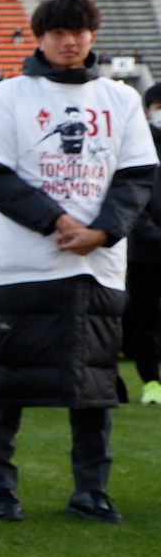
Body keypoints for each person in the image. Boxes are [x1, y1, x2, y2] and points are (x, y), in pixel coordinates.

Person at [0, 0, 157, 522]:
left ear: (92, 36)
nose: (68, 41)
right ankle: (1, 489)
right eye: (57, 32)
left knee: (94, 388)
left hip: (98, 267)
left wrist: (103, 231)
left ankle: (91, 491)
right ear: (40, 38)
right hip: (24, 265)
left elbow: (137, 176)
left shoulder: (120, 98)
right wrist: (57, 221)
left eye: (78, 32)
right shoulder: (8, 95)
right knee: (6, 384)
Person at [123, 84, 161, 405]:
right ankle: (151, 380)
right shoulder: (137, 145)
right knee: (144, 320)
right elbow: (131, 197)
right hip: (144, 254)